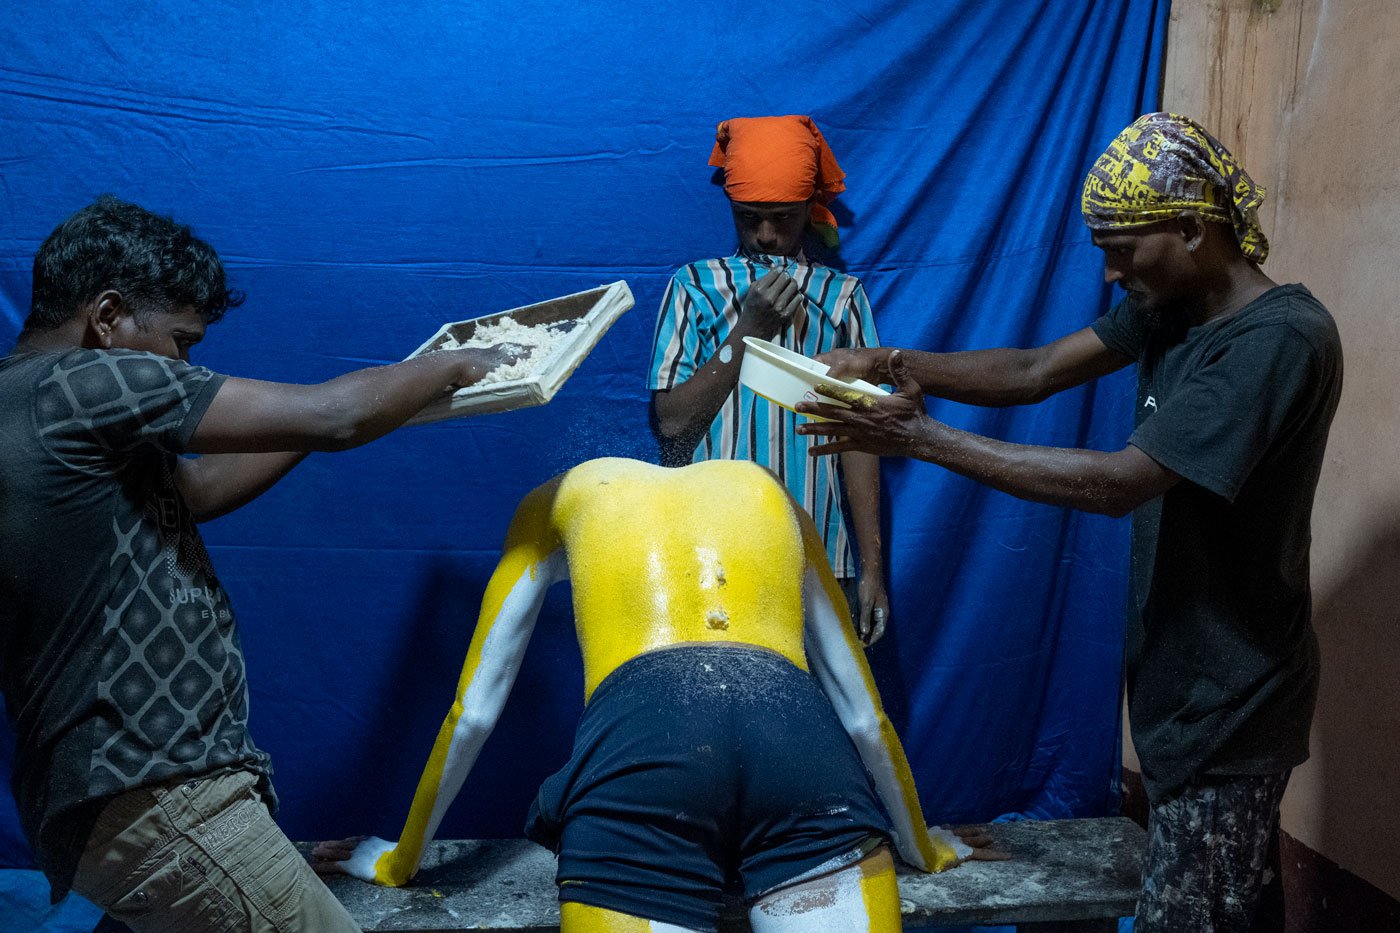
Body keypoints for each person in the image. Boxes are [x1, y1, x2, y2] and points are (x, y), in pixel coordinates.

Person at [795, 112, 1343, 932]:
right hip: (1181, 691)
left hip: (1233, 703)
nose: (1110, 273)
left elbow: (1124, 483)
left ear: (1194, 229)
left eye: (1121, 248)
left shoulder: (1277, 342)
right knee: (1231, 906)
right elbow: (1035, 369)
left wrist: (918, 436)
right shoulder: (1176, 308)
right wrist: (894, 362)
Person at [0, 195, 526, 932]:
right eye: (181, 341)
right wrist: (456, 363)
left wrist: (367, 405)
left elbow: (199, 490)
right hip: (163, 797)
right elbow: (334, 415)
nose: (187, 364)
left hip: (117, 806)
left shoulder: (28, 405)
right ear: (108, 316)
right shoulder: (82, 380)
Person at [314, 457, 999, 932]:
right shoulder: (769, 491)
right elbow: (864, 715)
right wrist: (923, 845)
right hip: (798, 737)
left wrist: (401, 857)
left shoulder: (558, 498)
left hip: (646, 743)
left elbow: (472, 714)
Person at [647, 114, 891, 644]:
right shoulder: (694, 286)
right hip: (711, 553)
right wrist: (749, 328)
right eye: (749, 217)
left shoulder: (841, 297)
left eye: (781, 218)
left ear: (808, 208)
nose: (765, 234)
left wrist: (872, 568)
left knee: (821, 713)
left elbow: (865, 437)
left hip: (822, 556)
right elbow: (671, 424)